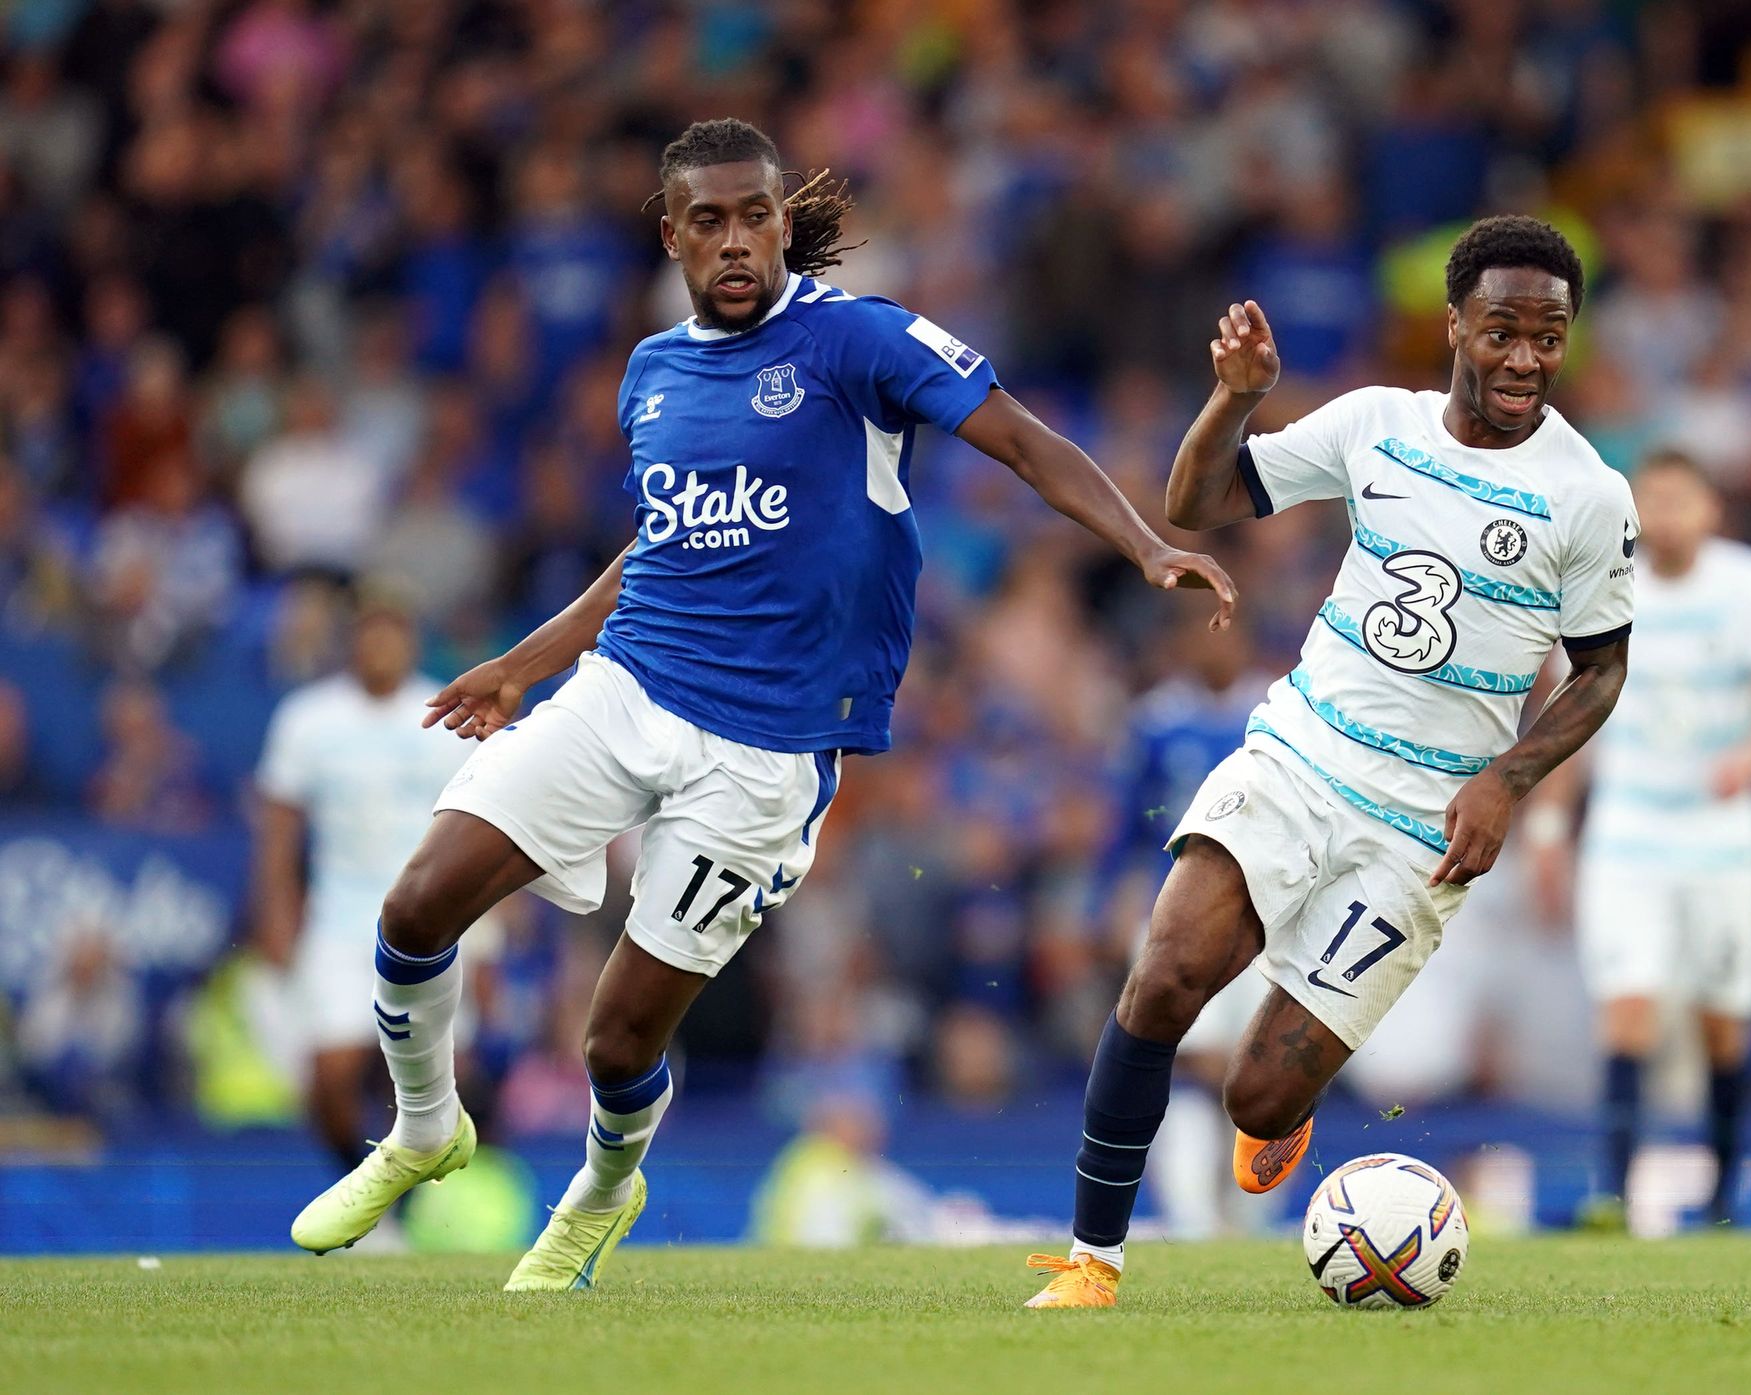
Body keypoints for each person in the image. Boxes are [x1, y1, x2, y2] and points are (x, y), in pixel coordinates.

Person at [289, 117, 1235, 1290]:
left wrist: (1145, 546)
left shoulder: (858, 341)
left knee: (616, 1038)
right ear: (673, 234)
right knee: (419, 905)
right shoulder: (652, 372)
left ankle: (602, 1186)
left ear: (784, 223)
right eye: (709, 221)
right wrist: (526, 661)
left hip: (765, 750)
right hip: (627, 688)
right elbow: (658, 546)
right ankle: (424, 1127)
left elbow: (1026, 443)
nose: (735, 240)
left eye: (755, 216)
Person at [1027, 215, 1638, 1308]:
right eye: (1502, 330)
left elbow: (1598, 672)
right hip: (1301, 757)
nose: (1523, 358)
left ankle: (1283, 1104)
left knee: (1254, 1100)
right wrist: (1234, 401)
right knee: (1163, 977)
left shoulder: (1585, 494)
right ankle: (1092, 1261)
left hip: (1421, 830)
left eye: (1548, 336)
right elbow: (1192, 505)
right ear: (1453, 324)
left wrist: (1503, 779)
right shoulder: (1373, 425)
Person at [1529, 449, 1751, 1228]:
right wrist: (1550, 829)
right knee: (1628, 1013)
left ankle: (1722, 1200)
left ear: (1710, 508)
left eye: (1681, 498)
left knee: (1723, 1022)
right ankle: (1612, 1195)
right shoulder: (1602, 586)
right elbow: (1570, 719)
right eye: (1651, 499)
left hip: (1723, 836)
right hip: (1629, 831)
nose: (1665, 514)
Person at [254, 591, 481, 1183]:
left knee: (448, 1077)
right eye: (369, 632)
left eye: (394, 631)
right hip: (339, 922)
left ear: (411, 638)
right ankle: (363, 1192)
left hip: (433, 924)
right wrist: (277, 920)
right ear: (352, 640)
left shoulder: (447, 712)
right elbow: (278, 835)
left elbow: (480, 829)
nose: (381, 646)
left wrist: (490, 928)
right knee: (331, 1074)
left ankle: (413, 1209)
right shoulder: (307, 718)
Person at [1094, 606, 1276, 1239]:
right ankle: (1195, 1221)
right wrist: (1109, 901)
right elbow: (1123, 825)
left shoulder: (1278, 712)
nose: (1213, 646)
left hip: (1264, 915)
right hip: (1169, 909)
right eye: (1198, 630)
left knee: (1260, 1069)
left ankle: (1253, 1218)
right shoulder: (1155, 723)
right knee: (1187, 1061)